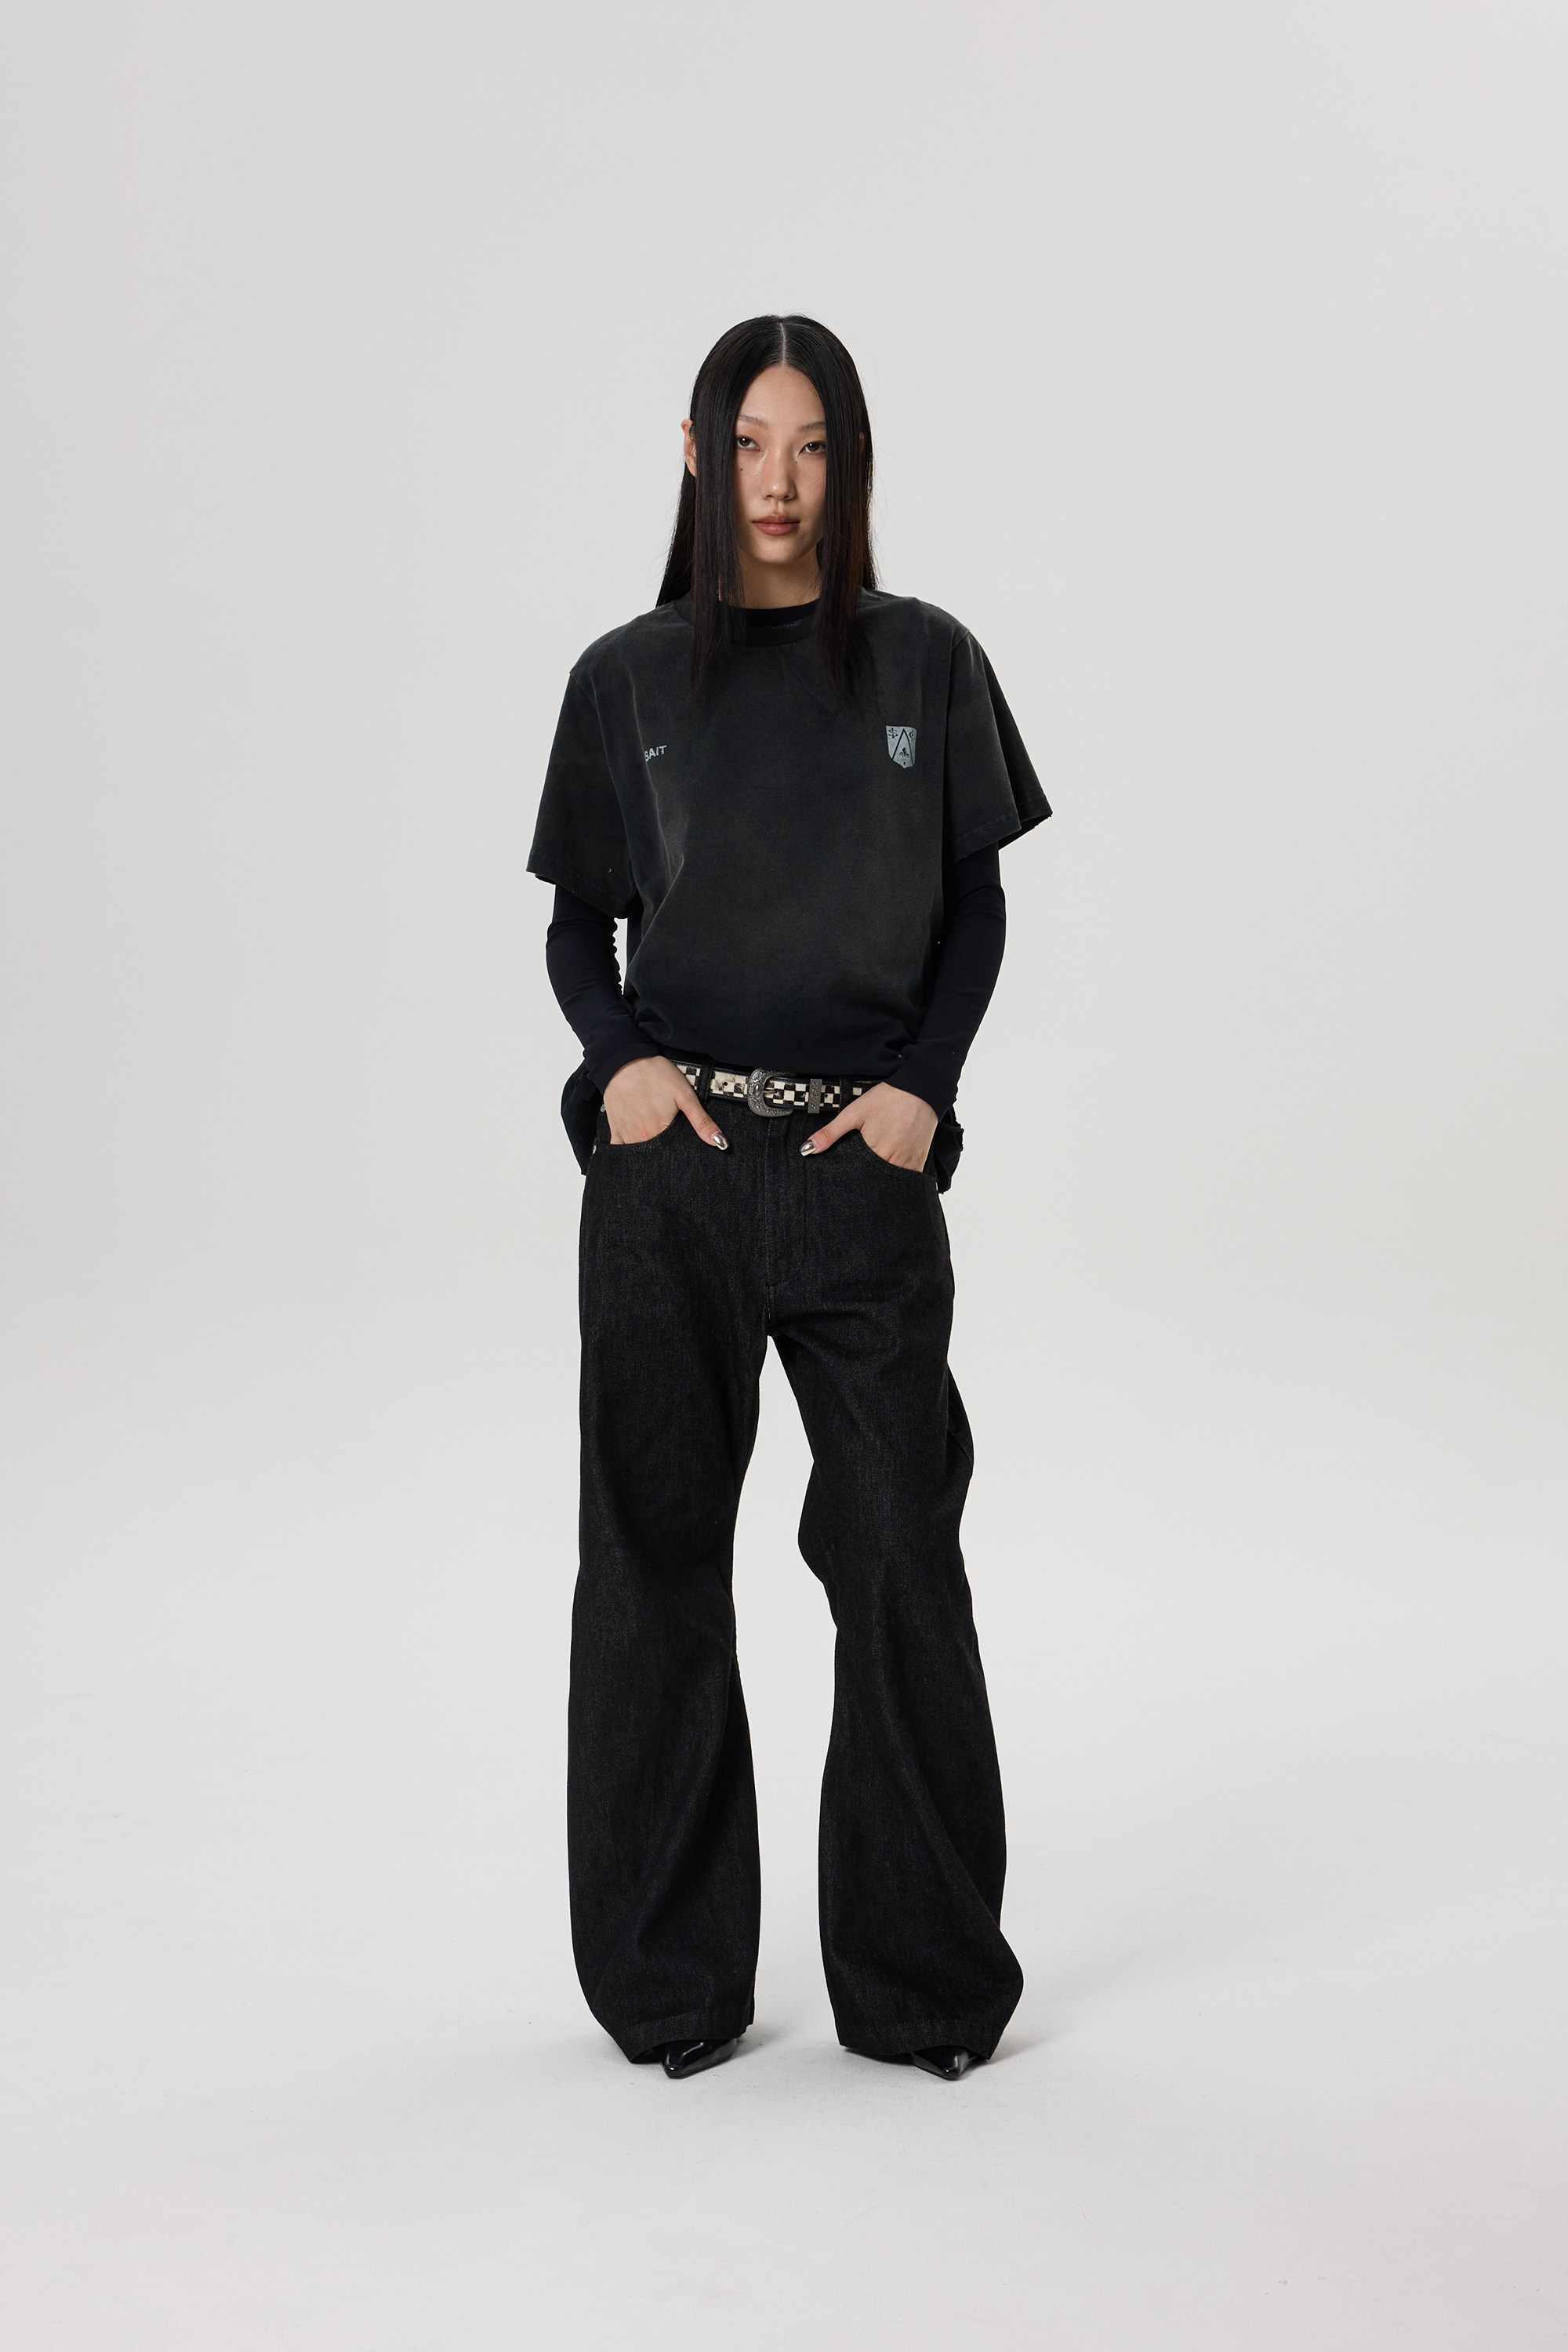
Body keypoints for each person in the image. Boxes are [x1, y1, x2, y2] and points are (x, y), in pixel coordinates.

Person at [528, 314, 1049, 2082]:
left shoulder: (926, 661)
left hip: (860, 1175)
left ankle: (924, 1993)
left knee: (899, 1553)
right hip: (668, 1181)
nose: (779, 481)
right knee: (652, 1564)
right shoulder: (622, 680)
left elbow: (977, 907)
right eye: (749, 443)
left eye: (812, 445)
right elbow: (576, 925)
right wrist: (621, 1068)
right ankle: (669, 1994)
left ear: (851, 462)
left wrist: (922, 1092)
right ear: (697, 455)